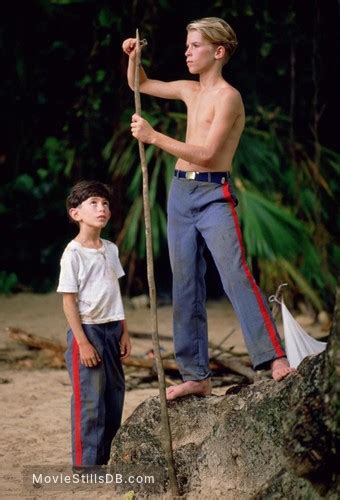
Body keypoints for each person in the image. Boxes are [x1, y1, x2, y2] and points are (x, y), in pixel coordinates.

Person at [122, 17, 295, 400]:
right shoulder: (189, 90)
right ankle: (195, 375)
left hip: (214, 194)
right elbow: (140, 84)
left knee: (235, 274)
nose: (187, 51)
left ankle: (274, 359)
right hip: (180, 195)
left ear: (218, 52)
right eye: (187, 45)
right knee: (184, 284)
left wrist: (154, 137)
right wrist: (134, 58)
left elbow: (207, 154)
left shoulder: (228, 97)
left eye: (194, 45)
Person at [57, 180, 131, 466]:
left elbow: (114, 292)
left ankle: (107, 460)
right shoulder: (72, 254)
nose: (102, 208)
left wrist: (124, 331)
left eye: (106, 204)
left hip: (113, 329)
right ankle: (86, 465)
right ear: (76, 213)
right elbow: (68, 302)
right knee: (90, 400)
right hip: (87, 331)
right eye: (94, 203)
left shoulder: (110, 249)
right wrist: (83, 343)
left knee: (114, 396)